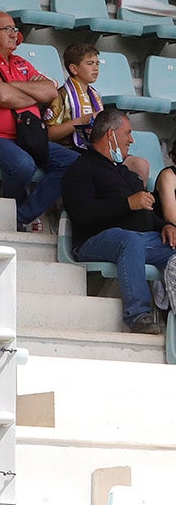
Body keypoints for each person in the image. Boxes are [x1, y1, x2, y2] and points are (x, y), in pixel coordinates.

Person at [0, 10, 76, 230]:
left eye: (15, 29)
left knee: (74, 163)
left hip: (28, 137)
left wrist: (11, 86)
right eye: (8, 29)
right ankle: (17, 215)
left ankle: (20, 215)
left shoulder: (20, 62)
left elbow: (51, 92)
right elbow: (1, 96)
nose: (15, 34)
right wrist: (28, 94)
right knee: (23, 164)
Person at [62, 108, 176, 336]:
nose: (132, 140)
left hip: (139, 241)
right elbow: (82, 214)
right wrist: (127, 204)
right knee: (128, 239)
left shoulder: (125, 172)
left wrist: (164, 225)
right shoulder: (80, 170)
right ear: (110, 134)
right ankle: (138, 315)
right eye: (128, 133)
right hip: (94, 240)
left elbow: (146, 215)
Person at [45, 42, 150, 185]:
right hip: (71, 150)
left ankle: (137, 205)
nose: (95, 68)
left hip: (98, 151)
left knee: (140, 164)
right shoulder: (60, 96)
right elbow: (48, 134)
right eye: (90, 63)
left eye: (97, 64)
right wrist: (82, 121)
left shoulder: (95, 96)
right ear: (74, 68)